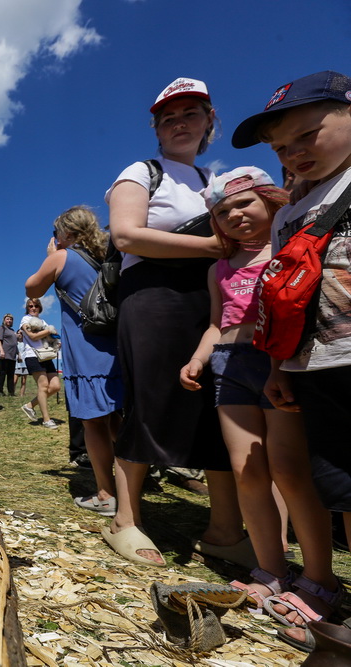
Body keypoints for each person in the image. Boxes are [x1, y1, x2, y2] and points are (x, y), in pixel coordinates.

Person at [178, 166, 338, 632]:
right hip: (230, 364)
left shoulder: (290, 247)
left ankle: (318, 577)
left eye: (243, 204)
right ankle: (271, 568)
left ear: (271, 200)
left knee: (288, 468)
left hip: (278, 359)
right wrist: (198, 359)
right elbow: (216, 322)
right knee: (248, 469)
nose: (234, 216)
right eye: (223, 212)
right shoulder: (219, 268)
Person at [102, 77, 246, 568]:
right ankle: (125, 518)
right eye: (169, 116)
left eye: (190, 113)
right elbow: (125, 234)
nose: (179, 122)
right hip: (153, 295)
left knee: (215, 400)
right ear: (157, 129)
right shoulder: (143, 171)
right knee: (152, 397)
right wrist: (208, 246)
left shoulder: (213, 181)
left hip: (207, 298)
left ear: (209, 121)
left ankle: (226, 528)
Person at [232, 70, 351, 650]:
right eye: (282, 148)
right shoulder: (286, 218)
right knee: (342, 486)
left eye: (308, 134)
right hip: (313, 364)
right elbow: (280, 296)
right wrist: (279, 366)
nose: (295, 153)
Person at [25, 206, 123, 515]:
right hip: (116, 346)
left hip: (86, 350)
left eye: (56, 233)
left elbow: (32, 287)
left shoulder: (63, 256)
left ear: (65, 233)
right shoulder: (107, 253)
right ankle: (133, 481)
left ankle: (106, 493)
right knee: (119, 421)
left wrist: (51, 253)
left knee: (93, 423)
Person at [17, 299, 63, 429]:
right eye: (30, 306)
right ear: (27, 308)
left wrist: (55, 339)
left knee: (55, 386)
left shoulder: (43, 322)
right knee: (43, 386)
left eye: (36, 306)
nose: (33, 308)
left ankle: (29, 406)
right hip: (32, 355)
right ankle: (46, 420)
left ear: (40, 307)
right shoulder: (25, 320)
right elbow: (32, 336)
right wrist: (49, 331)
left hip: (46, 354)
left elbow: (51, 335)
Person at [0, 314, 19, 396]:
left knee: (11, 375)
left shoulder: (12, 330)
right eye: (7, 319)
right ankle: (0, 391)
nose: (9, 321)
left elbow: (15, 344)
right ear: (4, 320)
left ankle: (11, 392)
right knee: (2, 373)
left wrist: (19, 354)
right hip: (4, 355)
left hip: (12, 356)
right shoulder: (2, 328)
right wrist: (1, 351)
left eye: (11, 319)